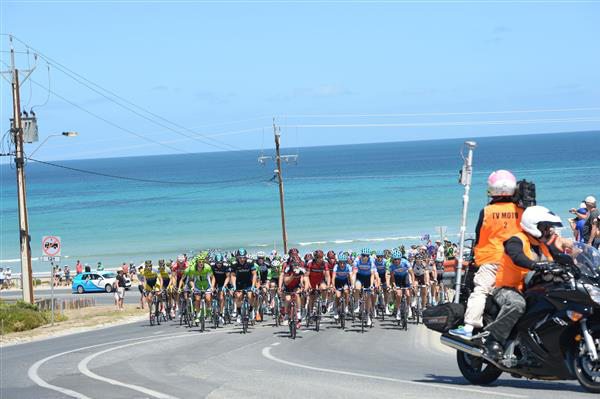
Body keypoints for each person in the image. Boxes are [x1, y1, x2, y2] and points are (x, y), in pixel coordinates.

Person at [451, 170, 523, 339]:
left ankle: (469, 327)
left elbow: (479, 235)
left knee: (481, 291)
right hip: (516, 260)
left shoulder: (487, 211)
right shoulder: (521, 210)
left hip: (491, 259)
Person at [484, 206, 560, 360]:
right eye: (545, 227)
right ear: (533, 225)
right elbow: (516, 256)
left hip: (533, 290)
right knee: (517, 304)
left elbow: (559, 259)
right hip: (508, 289)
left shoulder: (544, 247)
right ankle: (493, 340)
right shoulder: (516, 240)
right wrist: (534, 265)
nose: (549, 231)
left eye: (549, 227)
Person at [230, 248, 257, 323]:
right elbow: (232, 275)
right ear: (237, 257)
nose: (242, 259)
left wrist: (253, 286)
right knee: (238, 296)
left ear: (246, 256)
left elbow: (254, 274)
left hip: (248, 281)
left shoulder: (250, 262)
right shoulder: (234, 264)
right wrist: (234, 286)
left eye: (243, 257)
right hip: (239, 282)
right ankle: (239, 314)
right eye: (240, 257)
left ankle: (251, 310)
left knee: (250, 295)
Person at [352, 248, 376, 327]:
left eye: (367, 256)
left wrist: (372, 285)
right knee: (357, 288)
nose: (365, 257)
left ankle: (368, 315)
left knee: (368, 297)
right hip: (360, 277)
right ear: (361, 255)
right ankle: (356, 303)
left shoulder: (371, 260)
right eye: (363, 255)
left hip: (368, 278)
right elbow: (354, 273)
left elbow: (372, 274)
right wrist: (352, 284)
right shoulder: (357, 260)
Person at [306, 250, 331, 317]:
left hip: (320, 280)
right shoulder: (310, 263)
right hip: (311, 281)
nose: (320, 259)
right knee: (312, 298)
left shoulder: (325, 263)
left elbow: (328, 275)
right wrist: (308, 285)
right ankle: (311, 312)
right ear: (315, 257)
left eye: (321, 257)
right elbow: (306, 276)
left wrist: (328, 285)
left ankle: (323, 304)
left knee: (324, 288)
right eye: (318, 257)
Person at [389, 249, 414, 319]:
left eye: (398, 259)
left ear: (400, 259)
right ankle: (398, 310)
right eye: (395, 259)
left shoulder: (405, 262)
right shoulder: (391, 266)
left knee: (408, 294)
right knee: (399, 295)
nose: (396, 261)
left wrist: (413, 283)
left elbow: (411, 273)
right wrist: (394, 285)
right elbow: (392, 277)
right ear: (393, 259)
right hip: (397, 279)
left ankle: (409, 307)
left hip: (405, 278)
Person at [210, 253, 231, 325]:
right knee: (211, 294)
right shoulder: (212, 266)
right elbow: (210, 277)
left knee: (221, 297)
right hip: (215, 281)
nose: (219, 264)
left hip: (224, 281)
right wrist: (212, 287)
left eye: (220, 263)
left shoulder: (226, 266)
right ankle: (212, 309)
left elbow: (228, 277)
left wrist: (224, 286)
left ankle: (221, 314)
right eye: (217, 263)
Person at [373, 250, 391, 316]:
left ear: (383, 257)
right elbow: (374, 273)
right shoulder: (374, 262)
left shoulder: (385, 262)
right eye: (378, 257)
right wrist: (377, 282)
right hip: (377, 276)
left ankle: (386, 307)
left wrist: (387, 283)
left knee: (386, 291)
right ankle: (374, 307)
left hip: (384, 276)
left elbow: (387, 273)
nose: (379, 258)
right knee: (375, 289)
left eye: (381, 257)